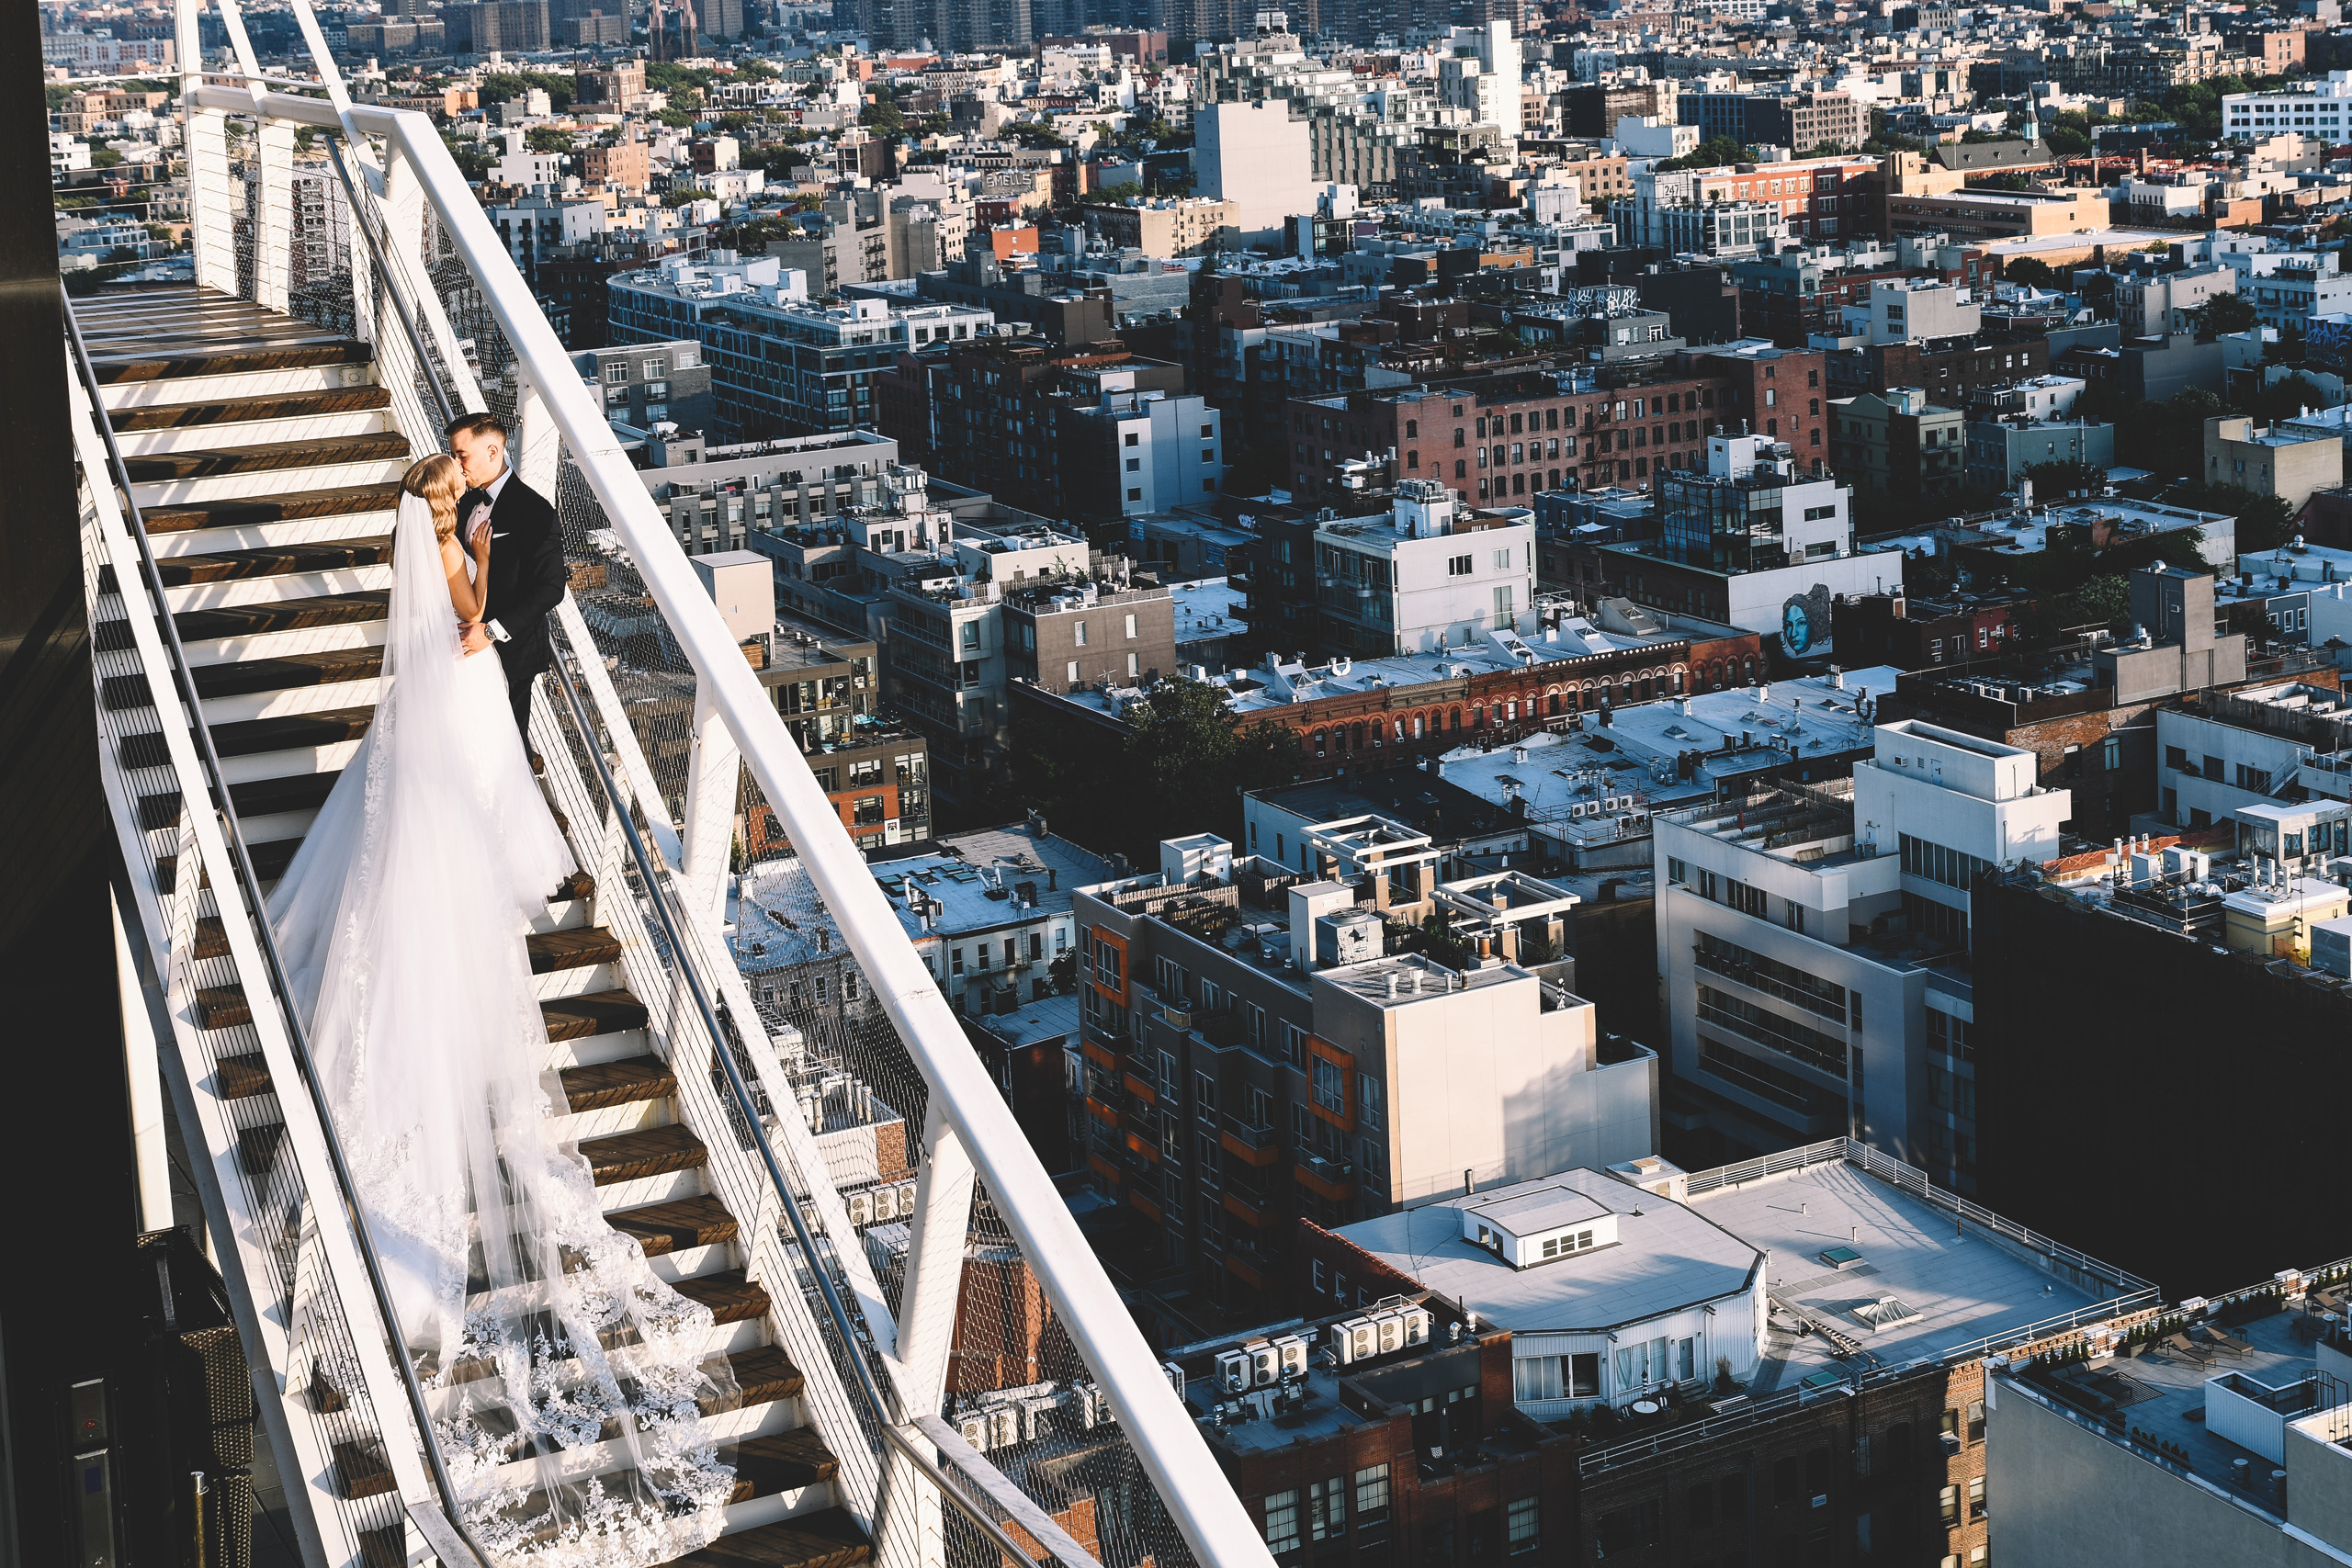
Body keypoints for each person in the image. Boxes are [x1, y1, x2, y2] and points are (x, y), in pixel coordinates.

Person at [265, 454, 736, 1562]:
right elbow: (473, 617)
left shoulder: (411, 539)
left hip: (419, 727)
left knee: (386, 893)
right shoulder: (448, 548)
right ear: (443, 505)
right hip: (449, 716)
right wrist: (474, 551)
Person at [447, 411, 568, 741]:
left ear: (492, 452)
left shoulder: (535, 510)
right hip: (459, 643)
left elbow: (551, 587)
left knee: (508, 745)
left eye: (462, 456)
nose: (457, 466)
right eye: (453, 456)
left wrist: (490, 632)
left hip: (511, 649)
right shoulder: (463, 501)